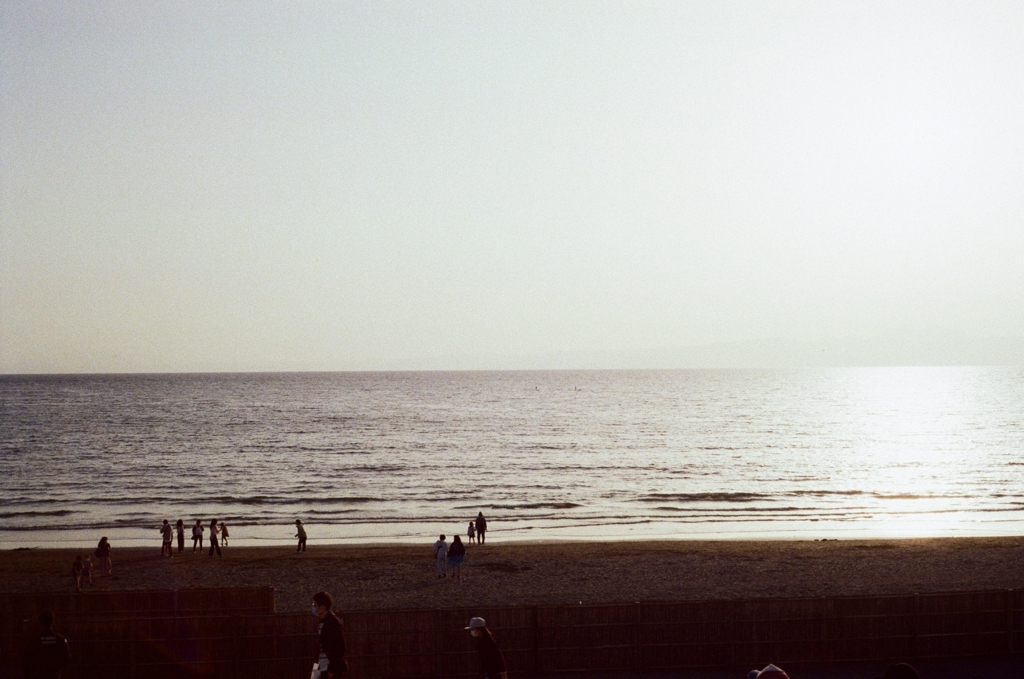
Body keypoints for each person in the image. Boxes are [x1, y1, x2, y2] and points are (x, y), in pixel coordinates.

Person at [23, 611, 70, 679]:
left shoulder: (33, 640)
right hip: (54, 674)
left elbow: (26, 659)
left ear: (40, 622)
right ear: (53, 621)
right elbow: (67, 657)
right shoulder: (60, 640)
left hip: (38, 674)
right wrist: (56, 667)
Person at [312, 591, 348, 678]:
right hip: (321, 666)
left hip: (329, 668)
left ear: (323, 607)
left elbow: (339, 647)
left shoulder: (332, 623)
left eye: (315, 605)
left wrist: (332, 669)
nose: (313, 608)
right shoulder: (322, 623)